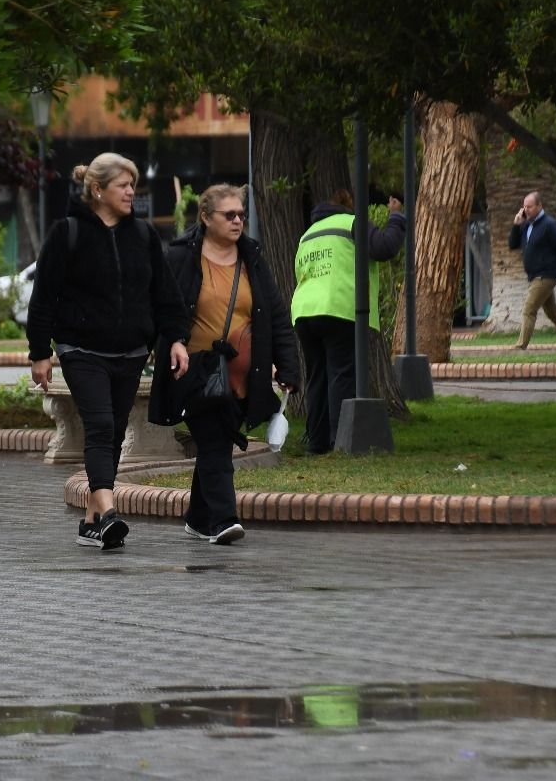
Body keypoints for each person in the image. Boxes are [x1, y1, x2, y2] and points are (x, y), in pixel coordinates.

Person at [27, 153, 190, 550]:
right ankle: (111, 510)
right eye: (124, 185)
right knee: (100, 426)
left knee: (114, 432)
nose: (132, 192)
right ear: (97, 189)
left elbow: (165, 293)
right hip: (81, 349)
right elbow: (44, 296)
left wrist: (177, 339)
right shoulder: (67, 233)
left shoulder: (145, 236)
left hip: (131, 351)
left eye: (133, 185)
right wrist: (39, 352)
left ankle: (91, 522)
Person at [149, 184, 299, 545]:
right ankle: (223, 519)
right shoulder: (182, 257)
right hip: (196, 372)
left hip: (243, 375)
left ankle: (199, 518)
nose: (237, 221)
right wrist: (171, 343)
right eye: (229, 215)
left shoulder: (252, 260)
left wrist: (288, 366)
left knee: (216, 443)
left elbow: (275, 315)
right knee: (214, 440)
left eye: (241, 215)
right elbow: (162, 308)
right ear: (205, 217)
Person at [290, 191, 407, 455]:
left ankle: (317, 443)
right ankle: (338, 441)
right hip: (339, 307)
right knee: (341, 374)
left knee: (317, 377)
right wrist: (397, 218)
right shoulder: (351, 222)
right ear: (347, 207)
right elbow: (384, 247)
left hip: (305, 312)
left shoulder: (308, 234)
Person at [508, 191, 556, 349]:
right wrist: (516, 225)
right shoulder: (527, 225)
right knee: (553, 312)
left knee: (529, 309)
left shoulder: (549, 225)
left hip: (546, 275)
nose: (526, 209)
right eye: (524, 206)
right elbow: (513, 245)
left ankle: (520, 345)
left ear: (540, 206)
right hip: (534, 275)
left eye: (530, 206)